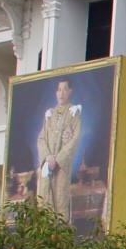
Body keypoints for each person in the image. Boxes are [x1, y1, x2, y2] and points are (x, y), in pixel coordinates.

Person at [35, 79, 81, 223]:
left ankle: (61, 235)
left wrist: (58, 159)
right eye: (59, 90)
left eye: (64, 89)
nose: (61, 93)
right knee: (44, 198)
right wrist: (48, 157)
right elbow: (41, 138)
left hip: (62, 166)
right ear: (56, 93)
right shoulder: (50, 114)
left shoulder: (74, 112)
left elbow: (75, 139)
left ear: (69, 92)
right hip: (48, 164)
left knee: (60, 199)